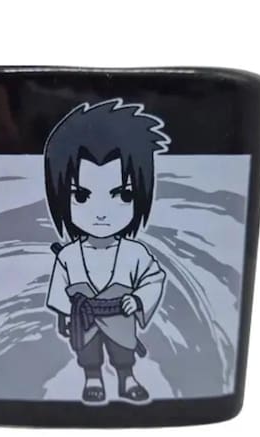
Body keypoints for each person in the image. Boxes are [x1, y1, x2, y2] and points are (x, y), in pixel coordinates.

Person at [44, 99, 168, 404]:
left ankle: (127, 378)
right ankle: (92, 379)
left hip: (120, 315)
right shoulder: (68, 256)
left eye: (123, 195)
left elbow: (154, 278)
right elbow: (60, 288)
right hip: (83, 316)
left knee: (123, 351)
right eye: (81, 196)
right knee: (88, 353)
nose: (101, 212)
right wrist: (63, 315)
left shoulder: (135, 253)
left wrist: (138, 300)